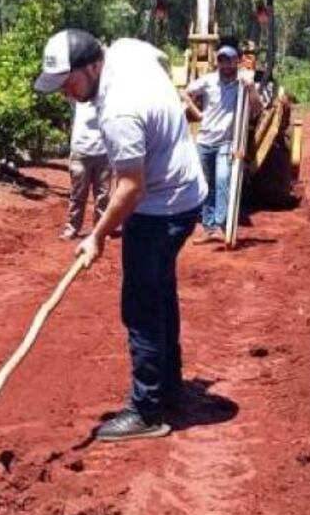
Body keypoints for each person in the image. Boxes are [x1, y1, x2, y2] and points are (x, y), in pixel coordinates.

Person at [34, 30, 207, 442]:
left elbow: (130, 187)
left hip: (160, 208)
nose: (66, 95)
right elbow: (160, 56)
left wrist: (96, 235)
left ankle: (146, 411)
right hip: (185, 195)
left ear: (93, 66)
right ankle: (169, 387)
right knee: (161, 292)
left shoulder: (117, 112)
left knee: (142, 306)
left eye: (69, 84)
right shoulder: (128, 51)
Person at [182, 45, 261, 243]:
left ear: (237, 61)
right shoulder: (208, 80)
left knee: (224, 180)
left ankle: (221, 224)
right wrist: (197, 113)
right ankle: (210, 228)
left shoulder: (243, 82)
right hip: (205, 141)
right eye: (222, 60)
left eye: (229, 60)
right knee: (206, 185)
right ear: (218, 61)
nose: (225, 64)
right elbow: (185, 92)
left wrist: (251, 89)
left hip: (227, 142)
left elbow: (257, 109)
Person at [62, 100, 111, 240]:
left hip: (103, 153)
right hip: (80, 153)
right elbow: (63, 83)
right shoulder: (78, 99)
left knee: (103, 195)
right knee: (77, 194)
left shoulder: (108, 99)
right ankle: (72, 229)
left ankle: (101, 230)